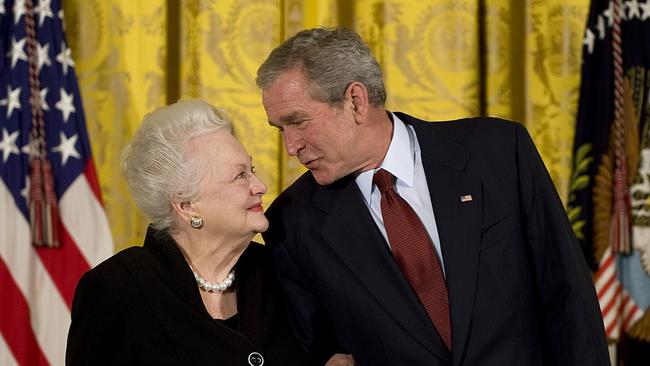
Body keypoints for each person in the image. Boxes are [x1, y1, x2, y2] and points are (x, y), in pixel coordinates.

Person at [256, 27, 610, 366]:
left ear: (356, 101)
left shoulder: (499, 153)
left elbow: (569, 300)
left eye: (298, 121)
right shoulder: (292, 223)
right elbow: (307, 348)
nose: (290, 146)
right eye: (280, 129)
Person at [66, 99, 311, 365]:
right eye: (240, 176)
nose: (260, 186)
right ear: (186, 205)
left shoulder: (277, 269)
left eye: (251, 170)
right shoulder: (117, 287)